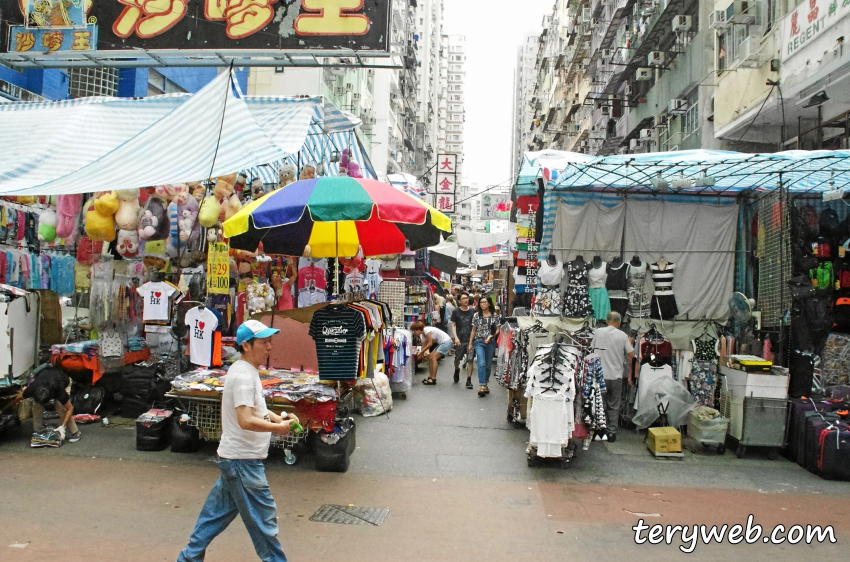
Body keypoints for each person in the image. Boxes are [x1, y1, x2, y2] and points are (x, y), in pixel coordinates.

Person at [177, 320, 300, 562]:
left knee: (213, 517)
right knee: (264, 524)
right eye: (264, 342)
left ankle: (188, 559)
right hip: (243, 462)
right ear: (246, 345)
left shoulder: (245, 371)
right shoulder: (244, 376)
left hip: (235, 459)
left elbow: (255, 410)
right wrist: (278, 427)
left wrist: (279, 416)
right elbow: (245, 419)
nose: (269, 347)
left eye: (269, 341)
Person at [590, 311, 635, 442]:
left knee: (599, 404)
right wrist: (631, 342)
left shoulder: (598, 332)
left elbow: (592, 348)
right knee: (614, 405)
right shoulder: (622, 335)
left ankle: (598, 431)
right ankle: (611, 432)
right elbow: (631, 354)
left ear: (606, 320)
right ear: (619, 321)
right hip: (615, 376)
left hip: (600, 375)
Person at [22, 367, 81, 442]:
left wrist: (63, 426)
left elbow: (70, 408)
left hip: (64, 382)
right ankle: (38, 430)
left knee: (60, 407)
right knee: (36, 404)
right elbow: (20, 396)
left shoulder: (58, 390)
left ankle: (76, 432)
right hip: (46, 379)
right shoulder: (33, 388)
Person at [468, 295, 500, 397]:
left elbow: (498, 329)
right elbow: (473, 330)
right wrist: (470, 343)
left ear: (489, 303)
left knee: (488, 364)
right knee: (481, 362)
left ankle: (485, 383)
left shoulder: (495, 316)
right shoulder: (476, 316)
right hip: (479, 341)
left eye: (485, 302)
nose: (482, 304)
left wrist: (492, 335)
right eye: (481, 302)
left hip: (490, 342)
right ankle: (482, 385)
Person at [411, 321, 452, 385]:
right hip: (442, 343)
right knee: (430, 357)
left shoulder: (426, 330)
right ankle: (430, 377)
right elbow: (424, 344)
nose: (414, 333)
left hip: (446, 342)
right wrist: (421, 354)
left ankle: (433, 378)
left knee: (433, 358)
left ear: (418, 329)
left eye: (414, 331)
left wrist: (421, 352)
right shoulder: (424, 334)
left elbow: (430, 344)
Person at [450, 293, 476, 388]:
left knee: (470, 359)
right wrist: (455, 338)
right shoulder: (456, 312)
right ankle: (457, 369)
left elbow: (475, 326)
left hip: (470, 340)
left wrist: (472, 340)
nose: (466, 300)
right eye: (464, 298)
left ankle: (469, 380)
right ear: (459, 301)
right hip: (460, 339)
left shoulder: (473, 311)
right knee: (457, 359)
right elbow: (453, 325)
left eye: (467, 298)